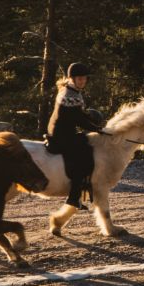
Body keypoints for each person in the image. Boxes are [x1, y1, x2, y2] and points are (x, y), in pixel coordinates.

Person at [46, 62, 107, 210]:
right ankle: (73, 197)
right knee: (84, 158)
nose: (83, 81)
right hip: (61, 135)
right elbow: (78, 119)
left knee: (85, 145)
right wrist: (98, 129)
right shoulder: (70, 95)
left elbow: (79, 116)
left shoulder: (69, 90)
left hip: (62, 131)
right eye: (79, 79)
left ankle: (77, 195)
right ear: (71, 78)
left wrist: (95, 126)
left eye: (84, 78)